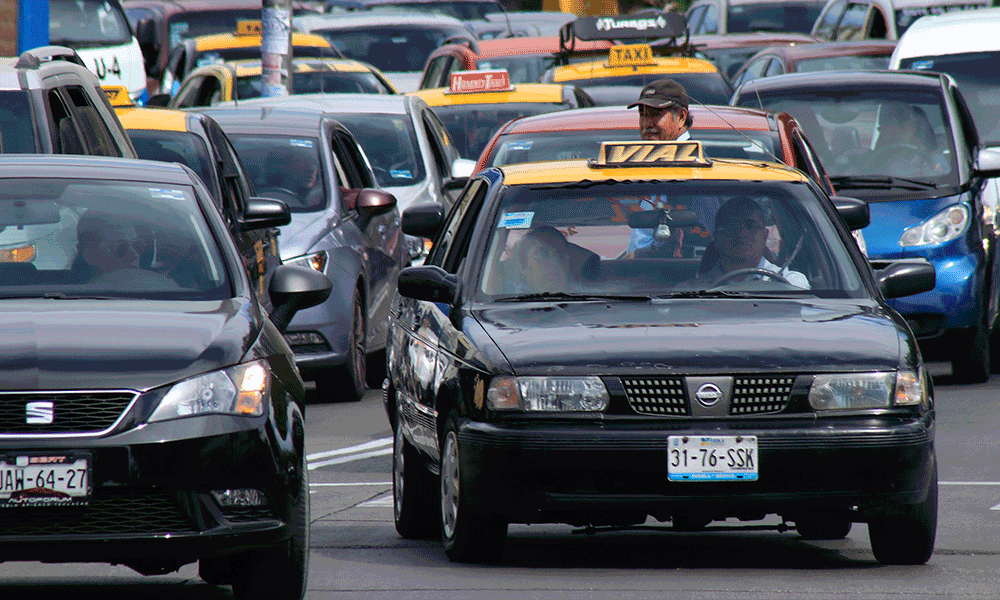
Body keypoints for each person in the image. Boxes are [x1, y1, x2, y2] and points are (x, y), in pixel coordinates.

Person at [688, 196, 810, 289]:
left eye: (750, 226)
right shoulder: (692, 291)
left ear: (765, 235)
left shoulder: (791, 284)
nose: (742, 234)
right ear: (717, 236)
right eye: (732, 226)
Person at [515, 225, 597, 293]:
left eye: (560, 255)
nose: (553, 263)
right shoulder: (506, 302)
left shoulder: (594, 300)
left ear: (567, 264)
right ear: (523, 267)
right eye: (541, 255)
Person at [628, 78, 692, 142]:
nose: (647, 124)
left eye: (655, 114)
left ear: (681, 117)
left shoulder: (694, 151)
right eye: (643, 114)